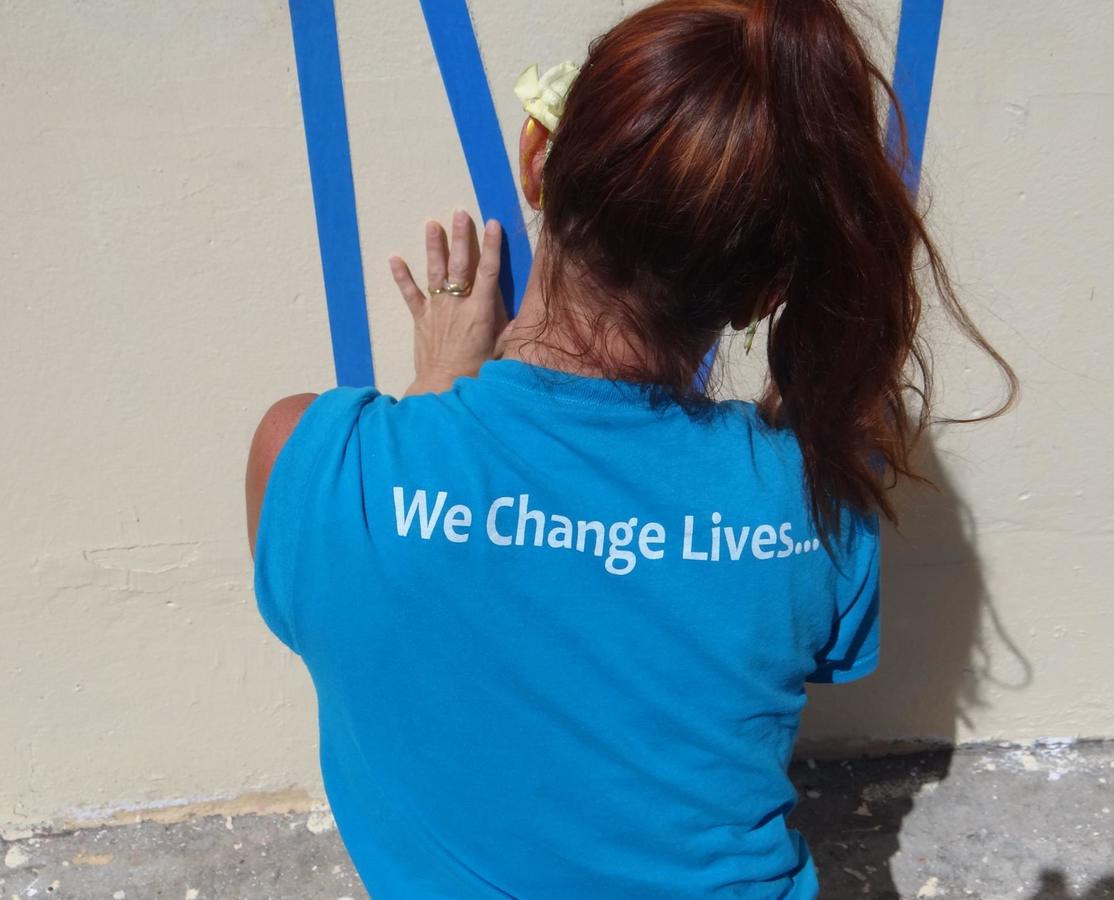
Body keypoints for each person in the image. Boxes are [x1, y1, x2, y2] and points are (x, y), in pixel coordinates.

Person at [245, 0, 1016, 896]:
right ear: (766, 291)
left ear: (536, 160)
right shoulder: (815, 497)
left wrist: (441, 394)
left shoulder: (309, 460)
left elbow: (437, 610)